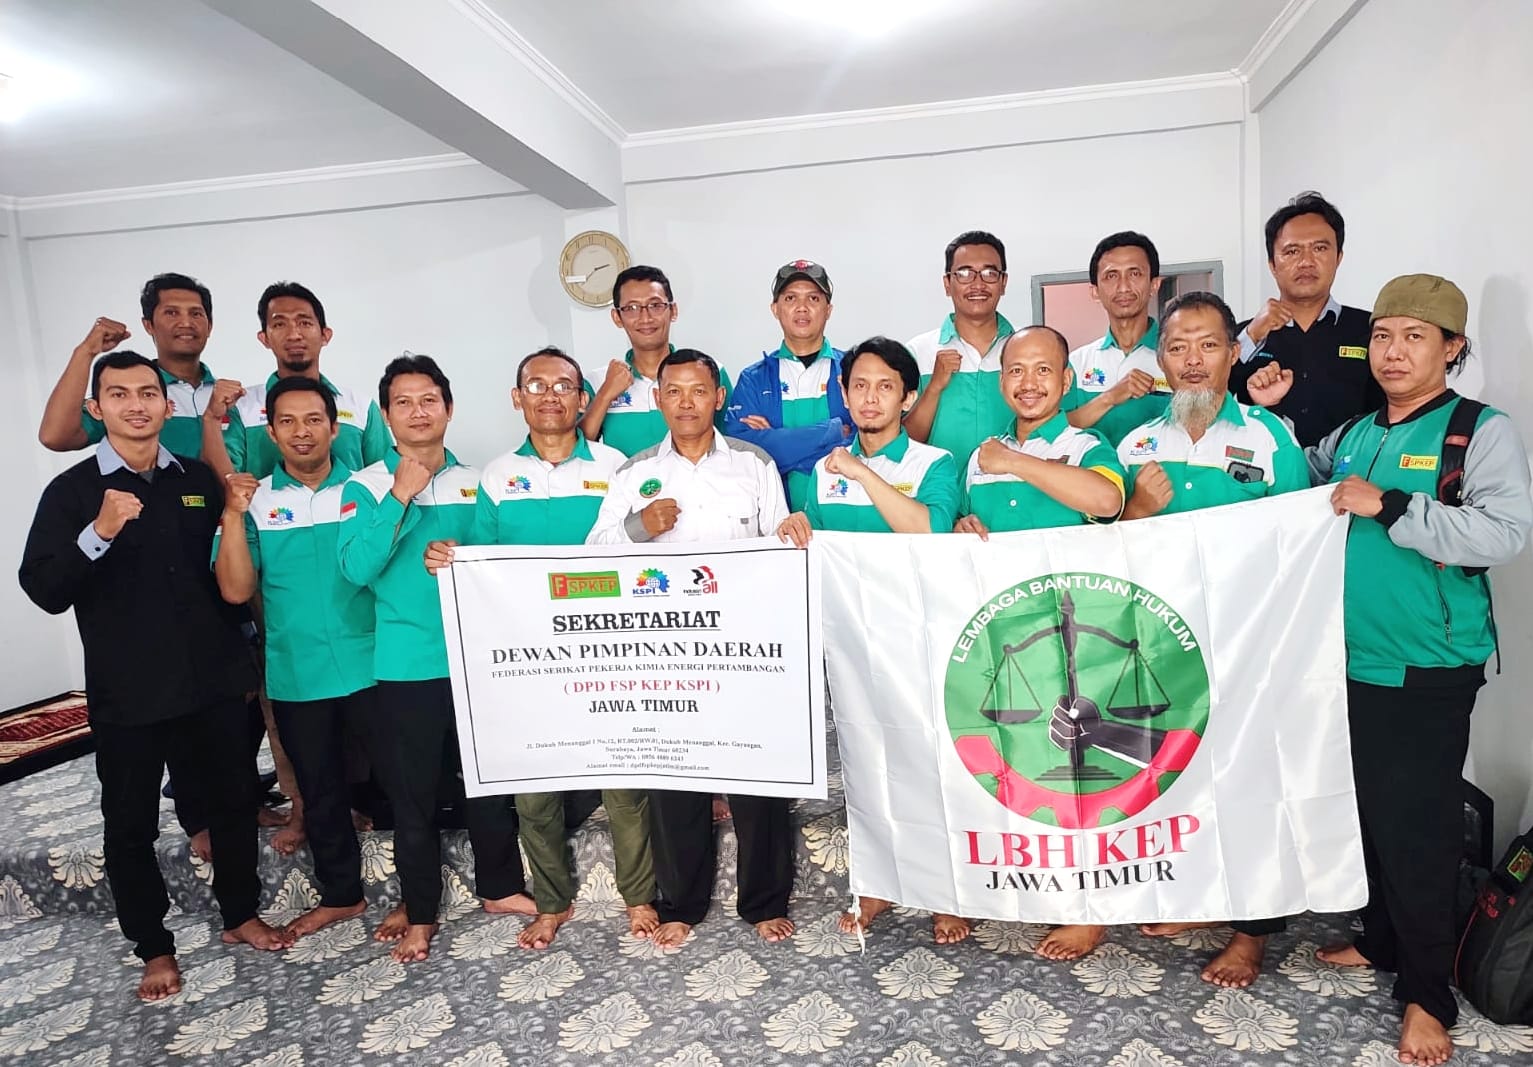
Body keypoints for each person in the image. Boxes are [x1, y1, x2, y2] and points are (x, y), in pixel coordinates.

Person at [1265, 274, 1532, 1067]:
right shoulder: (1355, 433)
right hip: (1342, 658)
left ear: (1451, 348)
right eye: (1382, 335)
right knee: (1369, 813)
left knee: (1417, 831)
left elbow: (1503, 532)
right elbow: (1293, 481)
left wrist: (1389, 505)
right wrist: (1271, 419)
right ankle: (1381, 940)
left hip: (1425, 663)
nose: (1392, 351)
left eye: (1414, 336)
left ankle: (1426, 995)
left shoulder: (1475, 430)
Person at [18, 351, 292, 1002]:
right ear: (97, 408)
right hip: (129, 691)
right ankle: (154, 946)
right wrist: (99, 531)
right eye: (119, 394)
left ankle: (240, 913)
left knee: (233, 804)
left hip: (210, 679)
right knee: (130, 824)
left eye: (148, 392)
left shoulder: (196, 478)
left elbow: (227, 571)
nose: (136, 405)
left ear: (168, 406)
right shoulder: (73, 493)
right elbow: (45, 589)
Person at [426, 346, 658, 950]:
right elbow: (479, 561)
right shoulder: (497, 476)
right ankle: (552, 902)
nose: (550, 395)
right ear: (517, 398)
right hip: (528, 655)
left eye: (563, 386)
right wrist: (449, 559)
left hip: (608, 650)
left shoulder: (615, 466)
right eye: (536, 385)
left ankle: (638, 897)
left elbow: (637, 548)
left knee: (623, 783)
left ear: (582, 399)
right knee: (534, 789)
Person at [1114, 292, 1307, 985]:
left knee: (1250, 781)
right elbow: (1105, 551)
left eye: (1207, 345)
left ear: (1232, 353)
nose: (1192, 361)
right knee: (1172, 774)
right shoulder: (1135, 444)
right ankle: (1191, 895)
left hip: (1245, 640)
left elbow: (1300, 539)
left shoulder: (1269, 438)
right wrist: (1136, 509)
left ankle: (1251, 932)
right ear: (1160, 358)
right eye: (1177, 347)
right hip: (1161, 643)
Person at [588, 350, 794, 948]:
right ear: (658, 400)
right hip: (666, 654)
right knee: (676, 782)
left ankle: (764, 902)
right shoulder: (634, 473)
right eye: (673, 391)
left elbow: (780, 546)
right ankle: (681, 904)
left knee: (757, 777)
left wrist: (794, 533)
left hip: (744, 646)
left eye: (699, 390)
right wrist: (639, 527)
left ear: (718, 396)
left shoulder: (753, 464)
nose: (686, 402)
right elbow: (594, 551)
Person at [338, 353, 531, 963]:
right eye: (403, 402)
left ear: (448, 408)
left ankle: (500, 888)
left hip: (477, 658)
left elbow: (499, 562)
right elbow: (355, 568)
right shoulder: (365, 486)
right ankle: (420, 913)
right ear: (386, 414)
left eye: (429, 400)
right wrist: (400, 495)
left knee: (487, 784)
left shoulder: (479, 481)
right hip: (407, 665)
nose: (418, 412)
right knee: (413, 796)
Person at [774, 336, 966, 941]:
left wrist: (861, 471)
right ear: (844, 392)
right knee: (866, 765)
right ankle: (879, 884)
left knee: (930, 765)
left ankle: (945, 892)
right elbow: (813, 543)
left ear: (908, 397)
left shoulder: (933, 463)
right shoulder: (820, 473)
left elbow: (930, 529)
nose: (870, 398)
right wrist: (795, 523)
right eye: (859, 385)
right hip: (852, 644)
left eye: (885, 386)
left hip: (921, 637)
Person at [947, 325, 1128, 960]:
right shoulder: (979, 456)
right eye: (1016, 370)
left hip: (1074, 641)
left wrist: (1019, 462)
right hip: (1005, 639)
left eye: (1043, 370)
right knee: (1022, 767)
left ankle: (1089, 907)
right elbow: (967, 518)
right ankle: (1036, 886)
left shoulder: (1084, 444)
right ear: (1002, 382)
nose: (1029, 382)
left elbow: (1106, 500)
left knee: (1082, 773)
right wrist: (966, 522)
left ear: (1066, 379)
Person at [212, 375, 376, 940]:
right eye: (288, 421)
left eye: (313, 420)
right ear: (272, 432)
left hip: (373, 662)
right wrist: (233, 516)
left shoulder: (367, 491)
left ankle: (420, 898)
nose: (302, 432)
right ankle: (343, 896)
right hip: (298, 670)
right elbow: (235, 588)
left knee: (399, 785)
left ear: (334, 427)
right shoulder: (255, 501)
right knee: (320, 791)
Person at [1228, 192, 1382, 446]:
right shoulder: (1243, 336)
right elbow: (1212, 394)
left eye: (1320, 248)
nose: (1306, 262)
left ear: (1338, 258)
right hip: (1266, 469)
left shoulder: (1371, 330)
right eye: (1291, 251)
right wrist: (1251, 336)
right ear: (1272, 264)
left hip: (1350, 467)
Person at [201, 281, 390, 479]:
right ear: (264, 338)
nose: (294, 335)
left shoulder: (361, 407)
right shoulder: (241, 407)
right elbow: (225, 483)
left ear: (325, 335)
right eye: (279, 324)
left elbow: (386, 479)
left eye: (305, 323)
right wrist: (211, 418)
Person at [37, 273, 219, 457]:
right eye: (171, 313)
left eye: (196, 314)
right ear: (148, 325)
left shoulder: (228, 398)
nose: (186, 323)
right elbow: (55, 437)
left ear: (210, 326)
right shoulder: (126, 396)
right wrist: (86, 351)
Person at [725, 260, 851, 510]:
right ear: (775, 309)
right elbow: (744, 455)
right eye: (791, 298)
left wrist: (775, 443)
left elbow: (867, 446)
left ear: (828, 309)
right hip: (775, 520)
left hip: (844, 515)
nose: (802, 308)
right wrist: (834, 431)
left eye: (813, 298)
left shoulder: (854, 371)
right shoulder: (753, 379)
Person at [583, 266, 733, 456]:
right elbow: (572, 452)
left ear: (673, 311)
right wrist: (605, 395)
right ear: (617, 317)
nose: (645, 318)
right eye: (632, 308)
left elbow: (732, 442)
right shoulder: (598, 382)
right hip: (622, 477)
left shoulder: (710, 372)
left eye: (655, 305)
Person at [904, 231, 1016, 475]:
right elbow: (901, 442)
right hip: (938, 493)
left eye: (989, 273)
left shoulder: (1026, 352)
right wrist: (934, 387)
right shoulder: (917, 352)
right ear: (947, 283)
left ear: (1003, 282)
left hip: (1012, 492)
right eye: (964, 273)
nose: (978, 284)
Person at [1061, 232, 1170, 445]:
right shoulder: (1077, 363)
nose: (1123, 287)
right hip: (1093, 467)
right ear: (1095, 291)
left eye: (1135, 274)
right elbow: (1055, 430)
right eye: (1111, 276)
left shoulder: (1179, 358)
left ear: (1154, 285)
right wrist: (1109, 398)